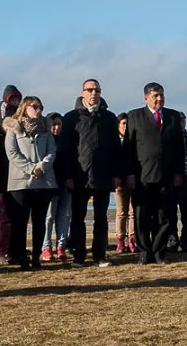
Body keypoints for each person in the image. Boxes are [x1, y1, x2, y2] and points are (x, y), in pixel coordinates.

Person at [122, 82, 185, 265]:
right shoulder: (135, 116)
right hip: (142, 176)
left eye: (162, 95)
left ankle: (159, 251)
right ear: (146, 97)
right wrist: (129, 174)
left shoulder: (172, 116)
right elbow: (129, 147)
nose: (159, 99)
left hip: (166, 175)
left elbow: (179, 148)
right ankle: (144, 251)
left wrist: (179, 172)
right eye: (155, 95)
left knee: (163, 216)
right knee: (142, 215)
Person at [61, 79, 122, 268]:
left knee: (101, 218)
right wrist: (67, 175)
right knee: (78, 218)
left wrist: (116, 174)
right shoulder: (71, 118)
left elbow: (115, 149)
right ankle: (79, 255)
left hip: (103, 175)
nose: (93, 93)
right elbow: (65, 149)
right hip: (80, 175)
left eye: (97, 90)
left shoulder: (109, 117)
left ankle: (100, 255)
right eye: (90, 90)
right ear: (82, 93)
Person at [4, 96, 58, 270]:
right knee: (20, 222)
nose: (38, 110)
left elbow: (52, 151)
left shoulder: (46, 130)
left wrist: (42, 166)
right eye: (34, 107)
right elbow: (11, 153)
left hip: (42, 182)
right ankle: (22, 258)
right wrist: (31, 168)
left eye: (40, 107)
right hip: (20, 183)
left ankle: (36, 257)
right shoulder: (13, 128)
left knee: (40, 221)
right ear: (25, 107)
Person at [0, 85, 22, 261]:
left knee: (15, 213)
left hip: (16, 172)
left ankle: (13, 247)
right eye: (12, 99)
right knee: (0, 213)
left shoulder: (21, 115)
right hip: (1, 173)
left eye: (17, 99)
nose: (15, 102)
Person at [41, 112, 71, 261]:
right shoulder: (44, 140)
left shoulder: (67, 141)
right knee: (49, 216)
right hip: (49, 183)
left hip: (65, 182)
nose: (57, 127)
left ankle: (61, 246)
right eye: (54, 124)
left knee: (64, 216)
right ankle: (46, 247)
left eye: (59, 124)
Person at [166, 111, 187, 253]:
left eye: (183, 121)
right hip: (171, 180)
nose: (180, 124)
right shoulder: (169, 137)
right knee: (170, 213)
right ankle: (172, 241)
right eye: (178, 121)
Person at [113, 112, 136, 254]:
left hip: (132, 179)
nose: (125, 126)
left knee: (133, 211)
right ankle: (120, 240)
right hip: (119, 181)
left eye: (127, 123)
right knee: (122, 211)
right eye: (123, 123)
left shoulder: (133, 141)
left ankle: (132, 239)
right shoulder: (115, 142)